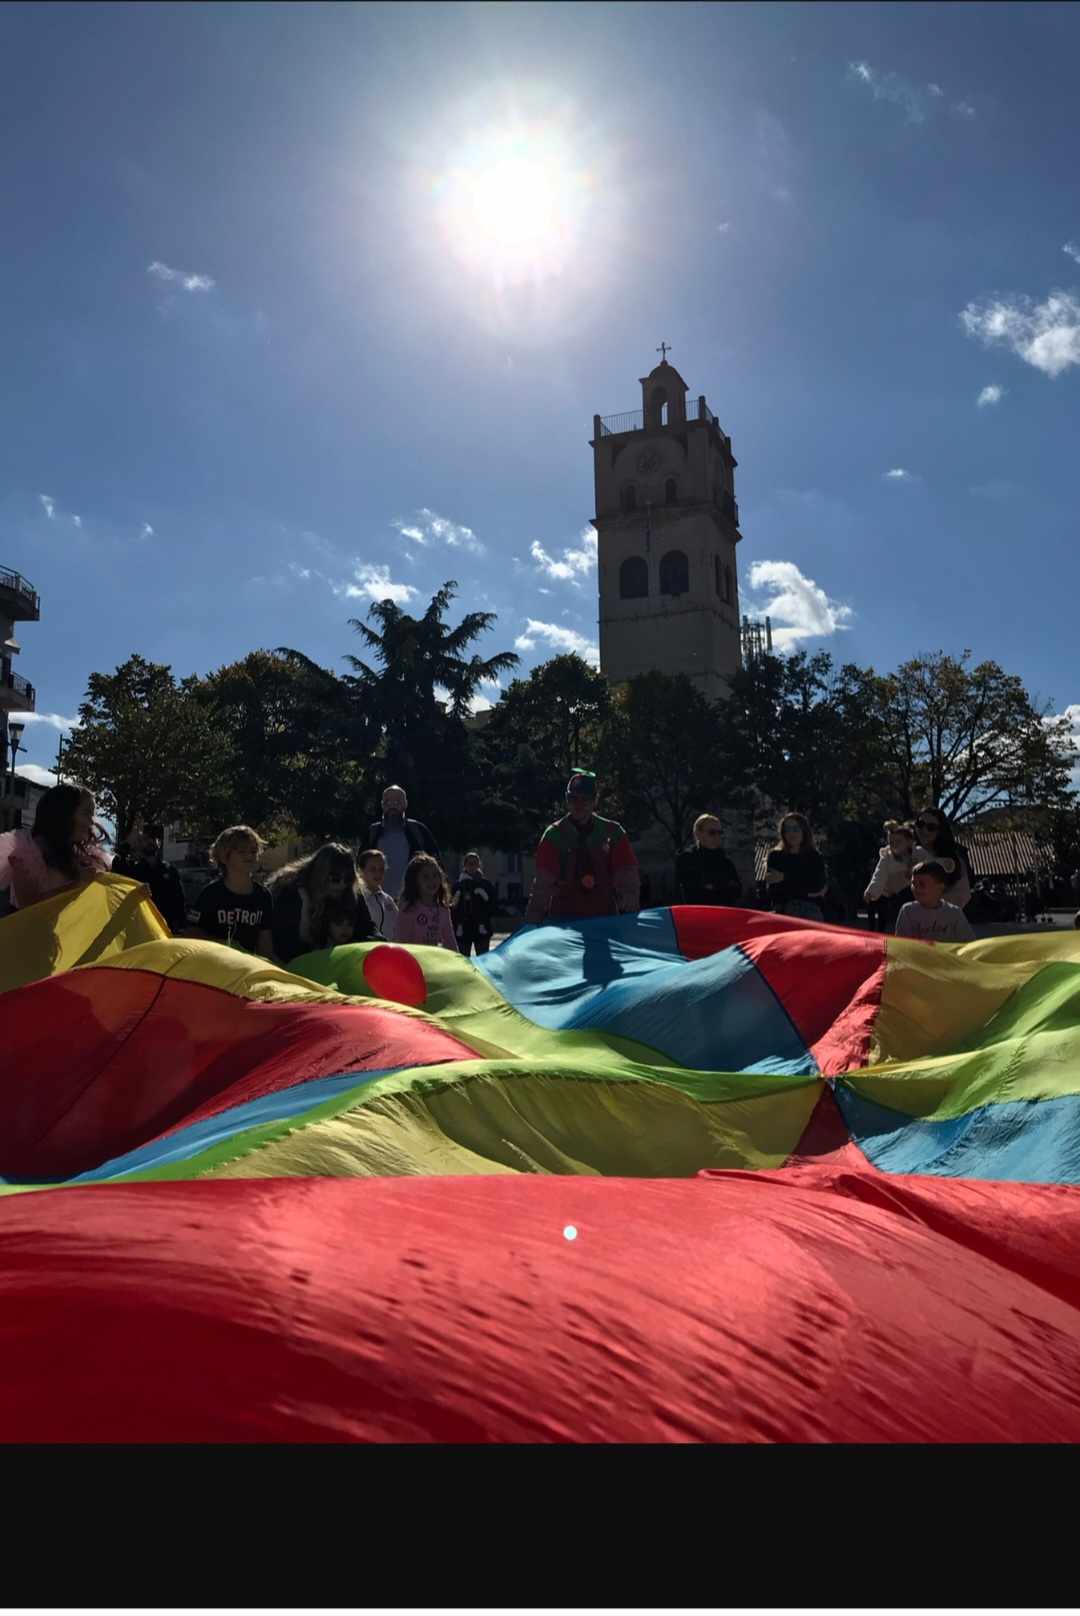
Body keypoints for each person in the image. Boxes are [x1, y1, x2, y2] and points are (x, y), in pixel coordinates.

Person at [524, 770, 640, 923]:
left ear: (594, 801)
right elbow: (542, 886)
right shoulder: (553, 835)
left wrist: (631, 917)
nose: (578, 804)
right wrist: (531, 924)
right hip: (564, 923)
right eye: (572, 798)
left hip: (604, 920)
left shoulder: (614, 833)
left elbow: (627, 879)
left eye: (585, 799)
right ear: (566, 800)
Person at [0, 784, 111, 910]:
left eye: (93, 814)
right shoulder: (27, 852)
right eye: (86, 813)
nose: (92, 821)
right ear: (64, 813)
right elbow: (28, 909)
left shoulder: (82, 855)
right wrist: (78, 883)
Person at [266, 842, 374, 964]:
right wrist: (305, 910)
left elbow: (368, 930)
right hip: (288, 961)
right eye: (335, 878)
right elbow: (285, 947)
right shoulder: (290, 889)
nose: (342, 884)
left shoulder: (350, 890)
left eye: (348, 878)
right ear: (321, 874)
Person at [186, 825, 274, 958]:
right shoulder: (211, 894)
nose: (249, 856)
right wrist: (222, 944)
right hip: (215, 968)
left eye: (253, 851)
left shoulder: (263, 896)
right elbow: (190, 934)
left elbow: (265, 947)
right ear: (224, 857)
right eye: (242, 851)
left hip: (246, 971)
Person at [366, 786, 440, 901]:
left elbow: (436, 866)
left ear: (405, 804)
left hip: (412, 902)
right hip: (377, 902)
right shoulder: (372, 833)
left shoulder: (418, 831)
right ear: (382, 805)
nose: (392, 805)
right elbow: (360, 868)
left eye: (397, 801)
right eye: (387, 802)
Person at [119, 827, 187, 932]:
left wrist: (181, 924)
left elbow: (179, 899)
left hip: (167, 926)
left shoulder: (169, 870)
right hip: (142, 925)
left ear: (158, 842)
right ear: (140, 844)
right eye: (145, 839)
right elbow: (117, 867)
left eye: (153, 839)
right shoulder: (134, 870)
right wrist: (128, 843)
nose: (150, 842)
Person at [764, 812, 828, 922]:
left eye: (795, 829)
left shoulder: (814, 857)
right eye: (787, 829)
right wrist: (803, 882)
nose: (791, 833)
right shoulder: (775, 856)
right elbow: (774, 891)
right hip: (783, 912)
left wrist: (785, 877)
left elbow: (817, 886)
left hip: (810, 911)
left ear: (804, 831)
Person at [895, 860, 975, 943]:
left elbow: (969, 943)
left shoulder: (954, 913)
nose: (916, 888)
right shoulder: (908, 911)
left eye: (922, 884)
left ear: (940, 887)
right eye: (913, 884)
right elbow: (902, 944)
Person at [394, 852, 459, 949]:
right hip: (411, 960)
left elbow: (450, 941)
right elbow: (402, 942)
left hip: (430, 961)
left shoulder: (443, 909)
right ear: (415, 880)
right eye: (425, 877)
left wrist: (458, 961)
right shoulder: (409, 908)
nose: (432, 881)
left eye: (435, 875)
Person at [912, 808, 971, 911]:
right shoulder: (905, 852)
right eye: (920, 824)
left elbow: (962, 895)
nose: (924, 830)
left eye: (931, 827)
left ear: (940, 831)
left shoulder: (953, 860)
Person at [675, 815, 742, 906]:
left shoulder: (726, 862)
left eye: (720, 832)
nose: (717, 836)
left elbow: (737, 892)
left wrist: (712, 886)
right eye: (712, 832)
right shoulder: (687, 859)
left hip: (724, 915)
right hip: (697, 915)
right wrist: (723, 886)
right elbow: (693, 893)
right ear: (698, 834)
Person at [863, 820, 916, 933]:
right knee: (890, 920)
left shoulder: (916, 854)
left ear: (909, 842)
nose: (894, 845)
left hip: (911, 894)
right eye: (891, 842)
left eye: (898, 841)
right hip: (889, 897)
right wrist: (871, 891)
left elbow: (930, 862)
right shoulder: (887, 858)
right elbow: (879, 875)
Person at [452, 852, 494, 956]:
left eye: (475, 863)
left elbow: (492, 904)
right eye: (470, 863)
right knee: (463, 960)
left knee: (483, 960)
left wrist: (484, 916)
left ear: (479, 865)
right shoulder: (457, 885)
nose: (472, 866)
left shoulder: (486, 884)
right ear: (465, 865)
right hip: (463, 930)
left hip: (482, 929)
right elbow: (452, 906)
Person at [358, 847, 399, 939]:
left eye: (381, 869)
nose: (378, 873)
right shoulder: (358, 898)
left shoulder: (388, 899)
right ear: (361, 871)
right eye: (373, 869)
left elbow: (399, 926)